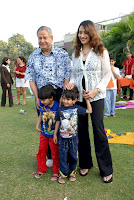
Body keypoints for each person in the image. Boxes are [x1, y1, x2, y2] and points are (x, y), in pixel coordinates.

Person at [66, 20, 113, 183]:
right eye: (80, 32)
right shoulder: (76, 52)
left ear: (92, 32)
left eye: (85, 32)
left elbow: (107, 74)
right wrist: (72, 83)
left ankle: (106, 168)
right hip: (79, 98)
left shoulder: (101, 51)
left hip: (96, 97)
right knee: (81, 131)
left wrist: (95, 90)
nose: (82, 35)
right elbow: (74, 74)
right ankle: (85, 163)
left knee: (99, 131)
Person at [25, 26, 72, 167]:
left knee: (64, 125)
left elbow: (67, 75)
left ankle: (65, 157)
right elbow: (31, 79)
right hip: (42, 96)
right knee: (48, 126)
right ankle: (50, 156)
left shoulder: (62, 54)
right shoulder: (33, 56)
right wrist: (37, 97)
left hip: (58, 94)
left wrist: (64, 96)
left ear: (51, 38)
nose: (42, 40)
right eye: (40, 37)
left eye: (45, 37)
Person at [53, 86, 92, 184]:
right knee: (63, 156)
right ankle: (63, 174)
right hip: (62, 138)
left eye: (68, 99)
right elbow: (57, 121)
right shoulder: (60, 109)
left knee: (73, 155)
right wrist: (54, 134)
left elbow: (89, 111)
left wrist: (87, 100)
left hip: (73, 139)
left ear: (74, 100)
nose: (66, 101)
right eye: (64, 99)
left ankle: (72, 172)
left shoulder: (76, 108)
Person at [35, 84, 59, 181]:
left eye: (43, 100)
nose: (41, 102)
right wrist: (37, 125)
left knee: (55, 153)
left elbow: (58, 120)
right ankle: (41, 169)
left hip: (54, 135)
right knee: (41, 151)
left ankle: (56, 171)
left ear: (51, 98)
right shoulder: (42, 104)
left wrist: (55, 134)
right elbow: (41, 114)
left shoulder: (57, 105)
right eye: (41, 100)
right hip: (43, 133)